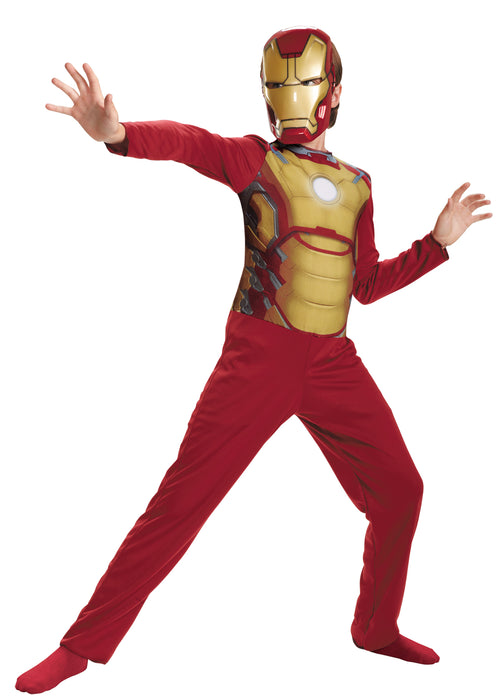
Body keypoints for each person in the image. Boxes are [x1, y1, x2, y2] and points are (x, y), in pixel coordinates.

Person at [16, 26, 492, 694]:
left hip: (331, 361)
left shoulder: (358, 185)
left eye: (308, 83)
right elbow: (191, 143)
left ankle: (375, 628)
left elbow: (364, 284)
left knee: (401, 489)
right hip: (260, 356)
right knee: (181, 503)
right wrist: (118, 135)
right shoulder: (254, 161)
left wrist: (436, 245)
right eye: (282, 84)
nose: (294, 96)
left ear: (334, 93)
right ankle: (80, 647)